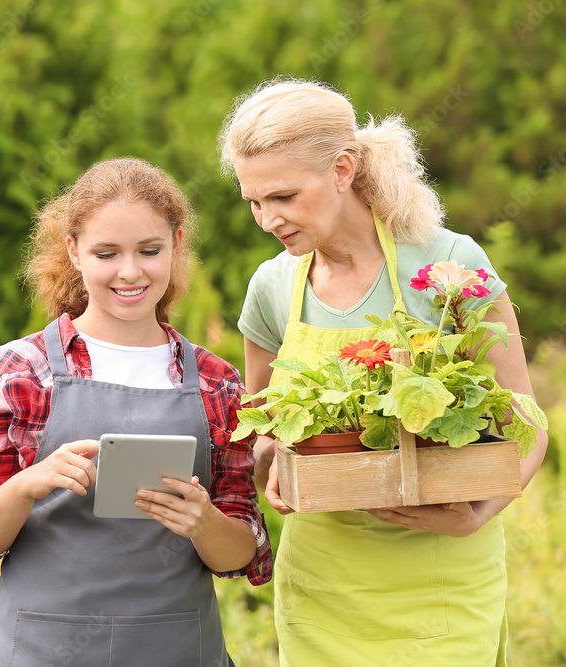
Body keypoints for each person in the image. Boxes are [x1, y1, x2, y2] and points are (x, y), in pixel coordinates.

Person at [219, 78, 548, 665]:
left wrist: (475, 516)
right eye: (254, 202)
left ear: (343, 169)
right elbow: (259, 421)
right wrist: (271, 459)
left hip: (442, 576)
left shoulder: (449, 265)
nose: (267, 219)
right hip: (325, 583)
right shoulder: (272, 286)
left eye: (284, 197)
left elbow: (526, 422)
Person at [0, 157, 272, 666]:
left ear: (177, 245)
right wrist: (27, 484)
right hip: (41, 651)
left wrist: (204, 521)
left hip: (176, 650)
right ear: (73, 251)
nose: (130, 271)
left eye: (149, 250)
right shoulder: (21, 370)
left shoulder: (217, 382)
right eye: (106, 253)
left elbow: (242, 556)